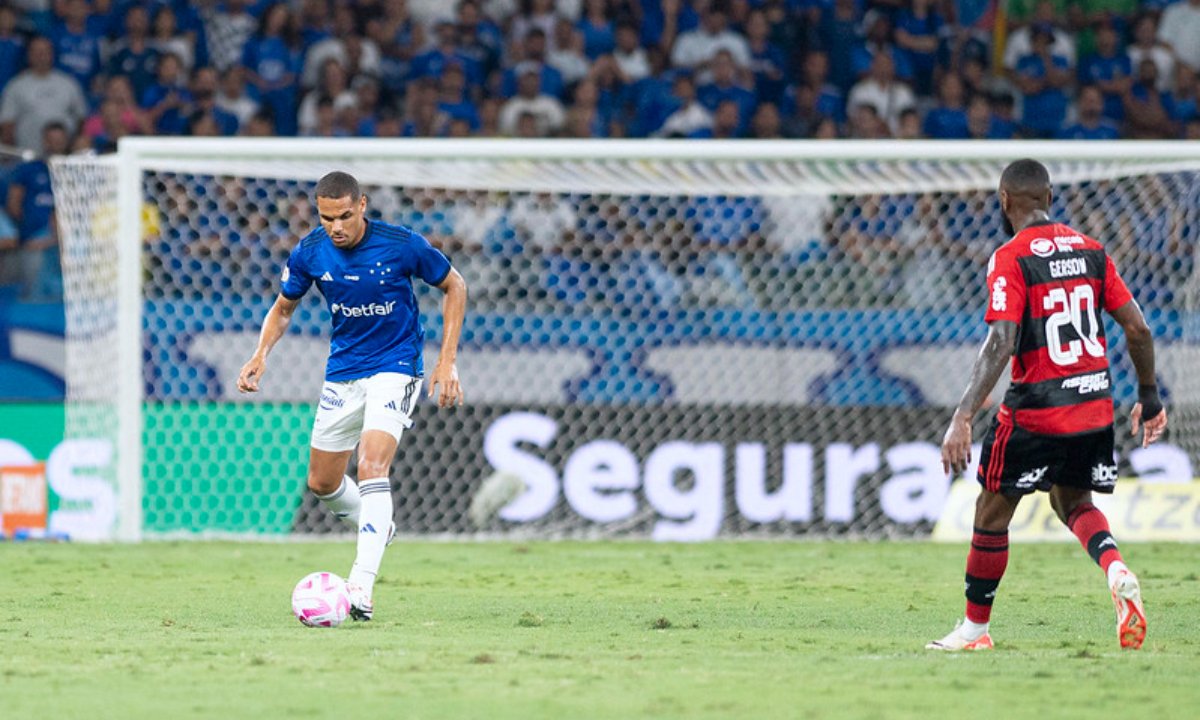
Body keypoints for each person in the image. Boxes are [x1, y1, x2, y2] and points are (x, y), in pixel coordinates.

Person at [927, 159, 1168, 652]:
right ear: (1050, 200)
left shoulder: (1011, 257)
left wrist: (964, 415)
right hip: (1095, 404)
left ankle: (974, 630)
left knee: (991, 512)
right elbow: (1138, 329)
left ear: (1004, 201)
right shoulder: (1092, 251)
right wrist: (1149, 396)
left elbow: (1001, 341)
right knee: (1074, 502)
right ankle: (1116, 569)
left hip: (1038, 408)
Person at [237, 171, 467, 621]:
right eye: (327, 218)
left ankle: (360, 586)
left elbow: (454, 284)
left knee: (372, 464)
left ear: (362, 205)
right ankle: (378, 525)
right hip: (344, 372)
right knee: (322, 483)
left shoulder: (401, 244)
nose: (337, 227)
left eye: (344, 215)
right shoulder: (310, 252)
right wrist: (260, 353)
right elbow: (284, 308)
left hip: (397, 366)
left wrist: (446, 360)